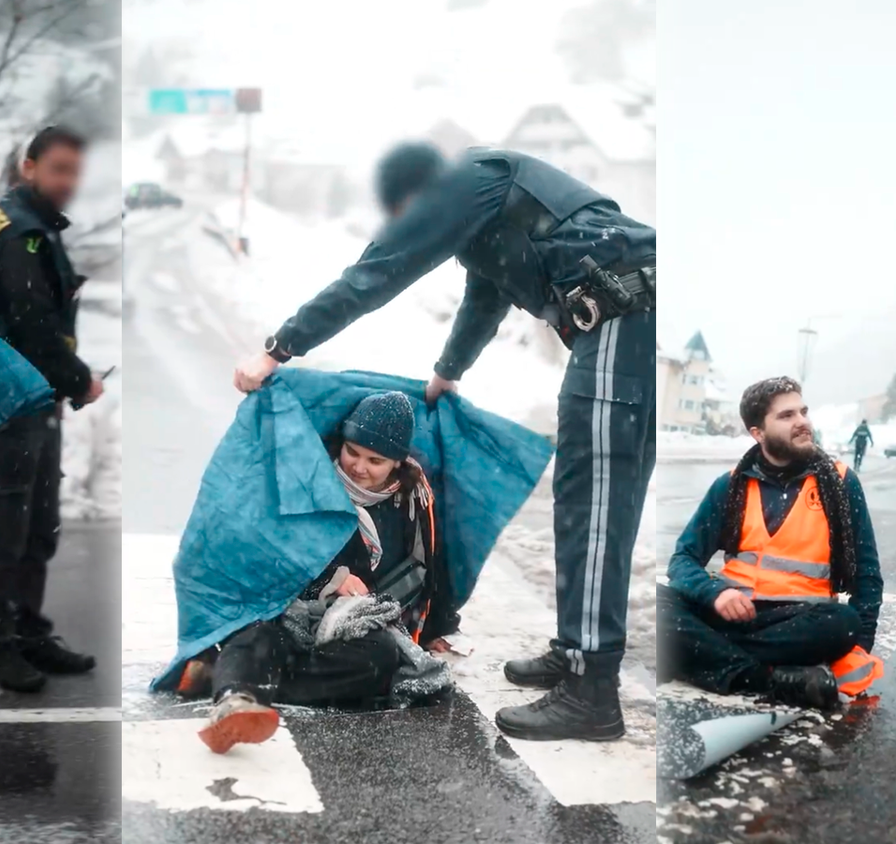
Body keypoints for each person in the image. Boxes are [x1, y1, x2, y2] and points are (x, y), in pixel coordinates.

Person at [231, 141, 655, 741]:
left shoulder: (465, 181)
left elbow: (377, 273)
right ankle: (575, 651)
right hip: (610, 315)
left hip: (623, 307)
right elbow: (487, 292)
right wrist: (448, 371)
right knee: (580, 492)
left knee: (595, 498)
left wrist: (279, 348)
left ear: (415, 198)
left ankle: (592, 691)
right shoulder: (491, 208)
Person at [191, 392, 456, 752]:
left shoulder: (412, 499)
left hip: (357, 621)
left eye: (375, 460)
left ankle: (234, 678)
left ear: (397, 462)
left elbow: (429, 563)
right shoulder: (311, 484)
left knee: (380, 658)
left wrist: (435, 627)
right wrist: (329, 579)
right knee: (259, 634)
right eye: (352, 452)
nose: (358, 467)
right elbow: (272, 552)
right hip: (295, 608)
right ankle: (233, 701)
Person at [0, 127, 104, 692]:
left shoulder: (36, 224)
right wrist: (79, 380)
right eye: (58, 169)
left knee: (38, 523)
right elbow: (32, 323)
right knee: (7, 529)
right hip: (8, 400)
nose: (68, 182)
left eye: (75, 171)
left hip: (32, 397)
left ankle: (29, 633)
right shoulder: (19, 230)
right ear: (29, 167)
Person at [664, 378, 885, 710]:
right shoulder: (730, 485)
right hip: (734, 616)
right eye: (787, 416)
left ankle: (706, 654)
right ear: (758, 432)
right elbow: (682, 559)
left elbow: (868, 574)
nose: (802, 422)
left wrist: (859, 649)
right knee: (661, 604)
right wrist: (717, 594)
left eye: (803, 412)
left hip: (799, 622)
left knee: (844, 623)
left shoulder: (840, 483)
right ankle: (764, 678)